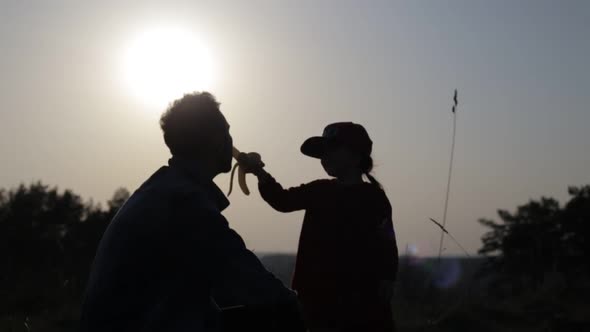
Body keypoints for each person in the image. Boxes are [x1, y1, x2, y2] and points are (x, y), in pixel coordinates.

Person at [80, 92, 304, 332]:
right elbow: (249, 279)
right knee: (288, 314)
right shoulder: (184, 202)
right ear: (216, 140)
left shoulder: (163, 189)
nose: (232, 141)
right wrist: (300, 307)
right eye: (227, 132)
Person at [240, 122, 399, 332]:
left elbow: (387, 243)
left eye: (331, 150)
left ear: (356, 155)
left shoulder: (374, 198)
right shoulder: (319, 190)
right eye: (322, 153)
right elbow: (282, 200)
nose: (324, 157)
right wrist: (260, 173)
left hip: (362, 300)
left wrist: (388, 276)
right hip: (318, 300)